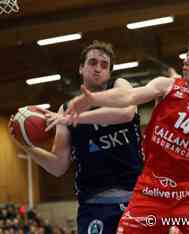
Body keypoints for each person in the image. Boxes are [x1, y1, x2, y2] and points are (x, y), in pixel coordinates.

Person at [66, 36, 189, 234]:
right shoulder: (166, 86)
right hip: (151, 191)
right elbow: (129, 96)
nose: (186, 60)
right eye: (186, 55)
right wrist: (93, 98)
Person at [9, 40, 144, 234]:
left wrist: (74, 118)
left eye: (104, 65)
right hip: (94, 203)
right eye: (92, 62)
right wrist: (25, 145)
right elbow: (58, 166)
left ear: (109, 72)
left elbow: (126, 113)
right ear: (81, 68)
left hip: (135, 199)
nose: (98, 68)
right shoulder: (65, 109)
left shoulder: (120, 86)